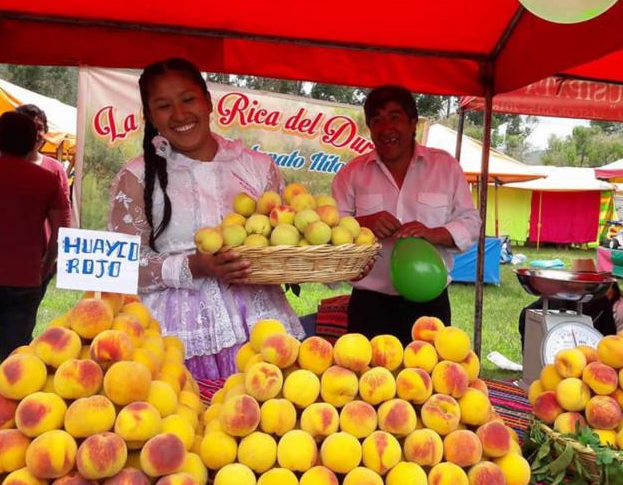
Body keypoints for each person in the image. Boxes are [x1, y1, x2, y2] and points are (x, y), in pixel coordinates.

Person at [108, 57, 303, 380]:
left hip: (260, 327)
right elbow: (121, 268)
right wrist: (194, 266)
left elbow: (285, 244)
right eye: (164, 106)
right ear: (150, 116)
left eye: (188, 99)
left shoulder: (255, 166)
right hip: (174, 336)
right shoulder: (136, 176)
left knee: (265, 418)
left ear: (208, 101)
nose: (180, 114)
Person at [332, 85, 481, 344]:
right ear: (370, 130)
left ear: (413, 123)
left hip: (429, 304)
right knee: (369, 382)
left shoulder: (445, 167)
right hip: (370, 305)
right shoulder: (352, 173)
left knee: (427, 381)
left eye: (395, 117)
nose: (386, 128)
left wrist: (434, 233)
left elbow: (471, 222)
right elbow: (332, 228)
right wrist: (362, 225)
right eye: (376, 121)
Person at [0, 111, 71, 378]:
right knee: (16, 354)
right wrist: (47, 263)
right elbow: (62, 228)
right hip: (23, 279)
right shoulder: (45, 180)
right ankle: (8, 411)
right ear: (34, 141)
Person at [15, 104, 73, 298]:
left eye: (39, 128)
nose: (35, 133)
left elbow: (64, 217)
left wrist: (50, 260)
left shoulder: (55, 169)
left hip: (39, 259)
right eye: (29, 127)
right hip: (0, 257)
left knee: (24, 319)